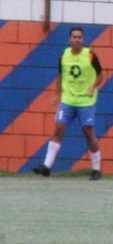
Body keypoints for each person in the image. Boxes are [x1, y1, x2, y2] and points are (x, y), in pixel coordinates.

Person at [32, 25, 104, 180]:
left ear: (83, 39)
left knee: (88, 132)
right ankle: (47, 166)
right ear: (69, 39)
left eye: (79, 37)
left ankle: (96, 169)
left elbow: (100, 75)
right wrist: (57, 94)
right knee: (58, 128)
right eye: (74, 37)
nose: (77, 39)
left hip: (85, 100)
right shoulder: (64, 56)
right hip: (68, 99)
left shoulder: (90, 55)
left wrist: (93, 86)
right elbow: (61, 75)